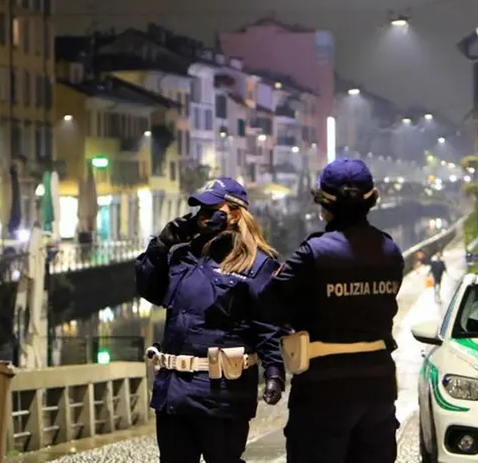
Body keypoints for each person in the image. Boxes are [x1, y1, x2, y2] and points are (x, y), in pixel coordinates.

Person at [257, 158, 405, 463]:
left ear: (324, 204)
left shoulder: (313, 254)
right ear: (371, 199)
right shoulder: (390, 251)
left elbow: (267, 304)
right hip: (377, 382)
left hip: (323, 387)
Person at [134, 177, 287, 463]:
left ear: (236, 213)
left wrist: (274, 371)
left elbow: (267, 324)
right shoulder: (182, 256)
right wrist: (160, 245)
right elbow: (148, 288)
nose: (203, 218)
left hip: (223, 394)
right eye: (199, 212)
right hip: (174, 392)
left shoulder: (258, 264)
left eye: (211, 210)